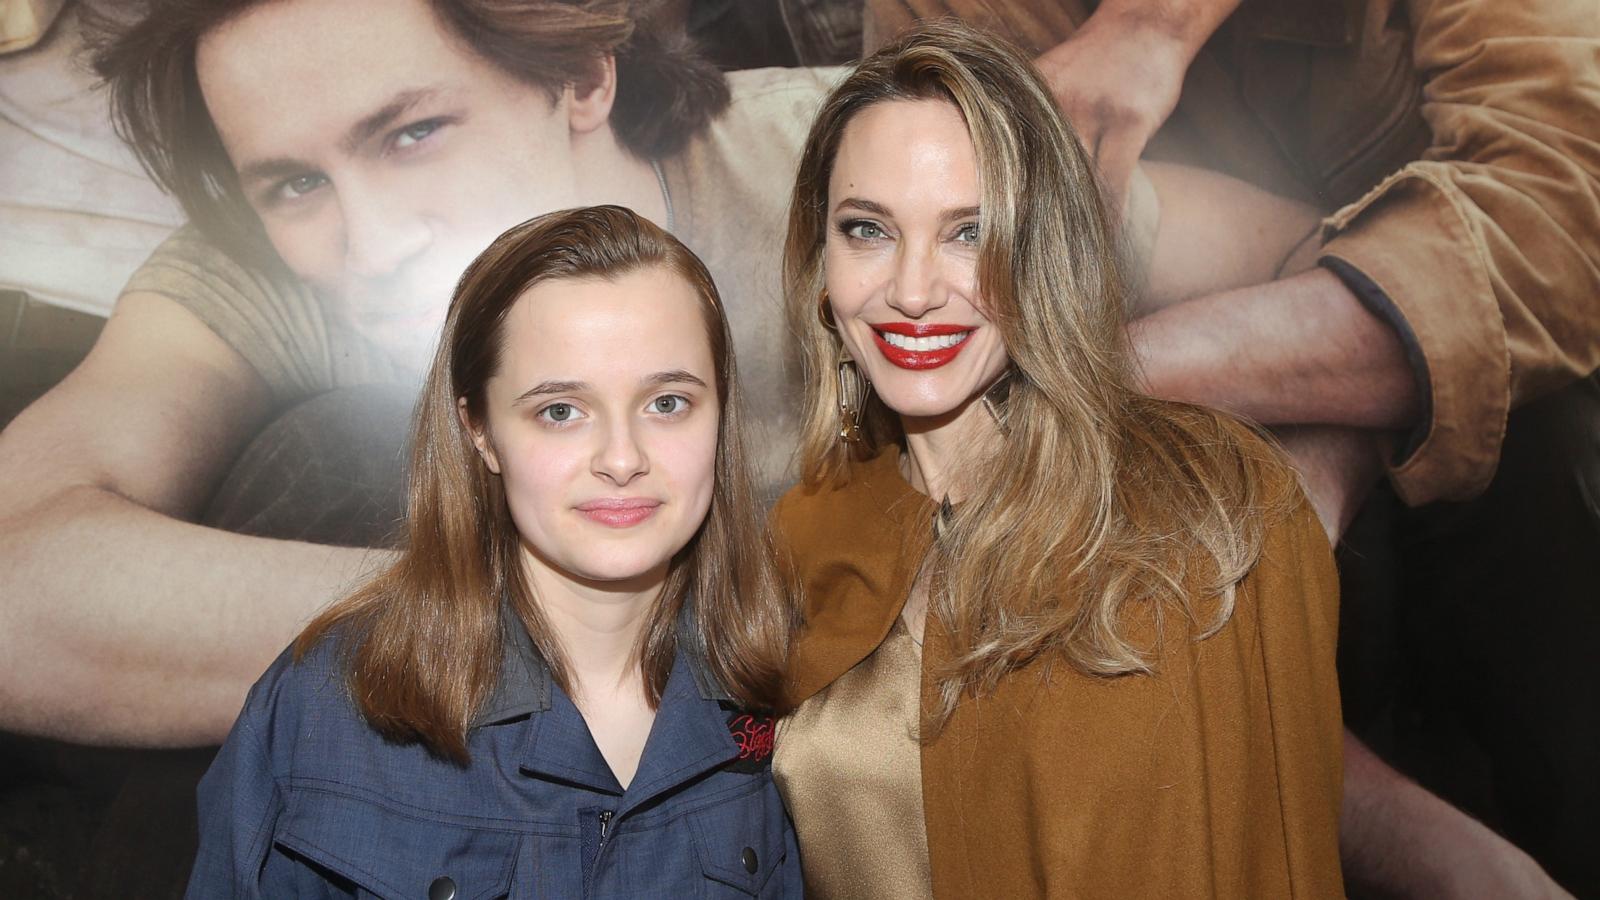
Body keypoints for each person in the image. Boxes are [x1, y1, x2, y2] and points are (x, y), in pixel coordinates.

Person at [862, 2, 1600, 896]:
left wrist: (1139, 381)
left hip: (1502, 458)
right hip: (1171, 523)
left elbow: (1565, 213)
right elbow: (963, 361)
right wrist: (1426, 847)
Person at [0, 0, 838, 748]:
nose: (372, 243)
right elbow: (17, 576)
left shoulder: (841, 170)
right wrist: (515, 620)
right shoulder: (269, 277)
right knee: (333, 450)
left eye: (412, 134)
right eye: (296, 184)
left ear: (581, 76)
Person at [769, 22, 1342, 897]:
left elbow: (1285, 854)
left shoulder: (1214, 501)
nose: (914, 290)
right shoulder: (794, 542)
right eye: (868, 230)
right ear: (820, 264)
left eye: (970, 232)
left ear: (1045, 247)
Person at [186, 205, 800, 896]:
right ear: (478, 429)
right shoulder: (322, 708)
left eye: (668, 403)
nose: (623, 459)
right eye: (560, 411)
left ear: (721, 413)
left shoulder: (791, 692)